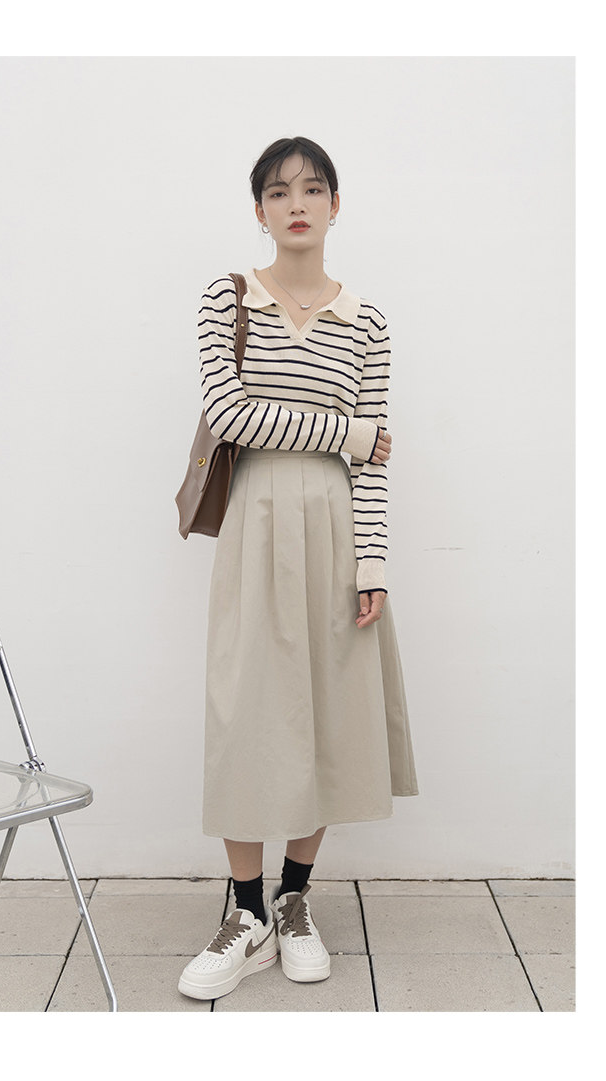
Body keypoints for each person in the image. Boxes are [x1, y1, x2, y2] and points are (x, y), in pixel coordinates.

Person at [178, 136, 418, 1002]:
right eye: (278, 193)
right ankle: (243, 913)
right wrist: (348, 432)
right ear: (259, 211)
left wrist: (373, 562)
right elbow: (231, 414)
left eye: (313, 189)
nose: (297, 204)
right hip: (256, 525)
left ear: (335, 203)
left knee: (328, 713)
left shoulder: (368, 321)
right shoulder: (228, 297)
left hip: (338, 531)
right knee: (246, 711)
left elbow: (374, 466)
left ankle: (293, 900)